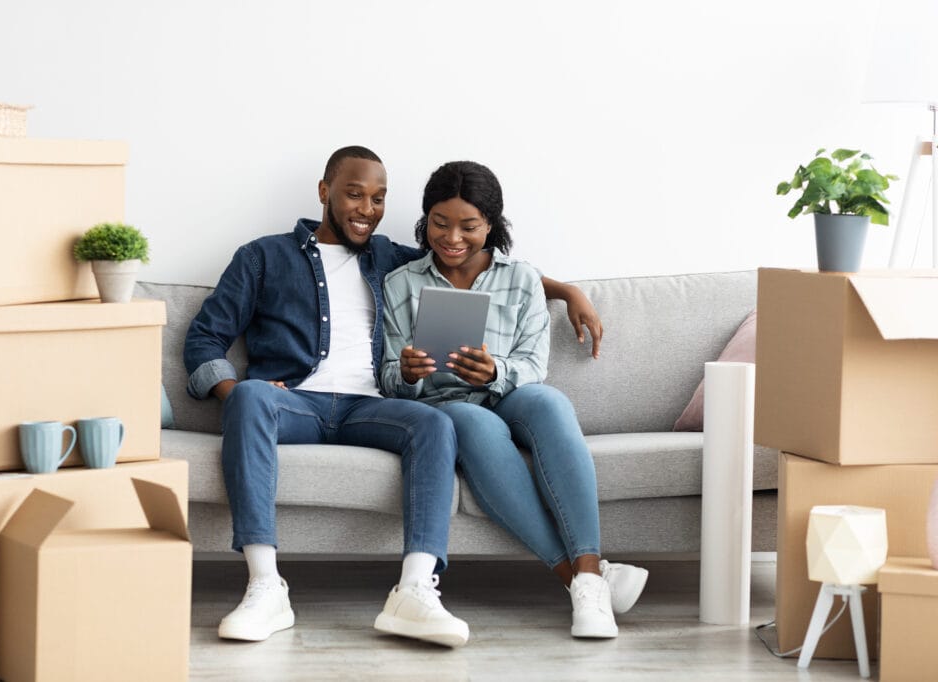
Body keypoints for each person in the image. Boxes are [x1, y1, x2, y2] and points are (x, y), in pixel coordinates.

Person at [183, 147, 605, 648]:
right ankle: (265, 587)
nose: (367, 209)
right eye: (354, 194)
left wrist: (567, 291)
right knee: (250, 398)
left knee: (436, 423)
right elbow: (202, 339)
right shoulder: (263, 257)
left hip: (370, 406)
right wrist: (236, 392)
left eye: (378, 198)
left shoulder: (388, 257)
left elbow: (473, 259)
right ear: (324, 192)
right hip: (293, 401)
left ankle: (415, 590)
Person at [380, 160, 648, 639]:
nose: (453, 238)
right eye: (440, 223)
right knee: (470, 420)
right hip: (447, 405)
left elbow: (532, 365)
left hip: (508, 394)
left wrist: (495, 370)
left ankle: (588, 573)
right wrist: (407, 373)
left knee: (549, 402)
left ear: (492, 225)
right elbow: (386, 378)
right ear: (424, 220)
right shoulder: (401, 283)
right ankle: (582, 584)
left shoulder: (521, 278)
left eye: (469, 226)